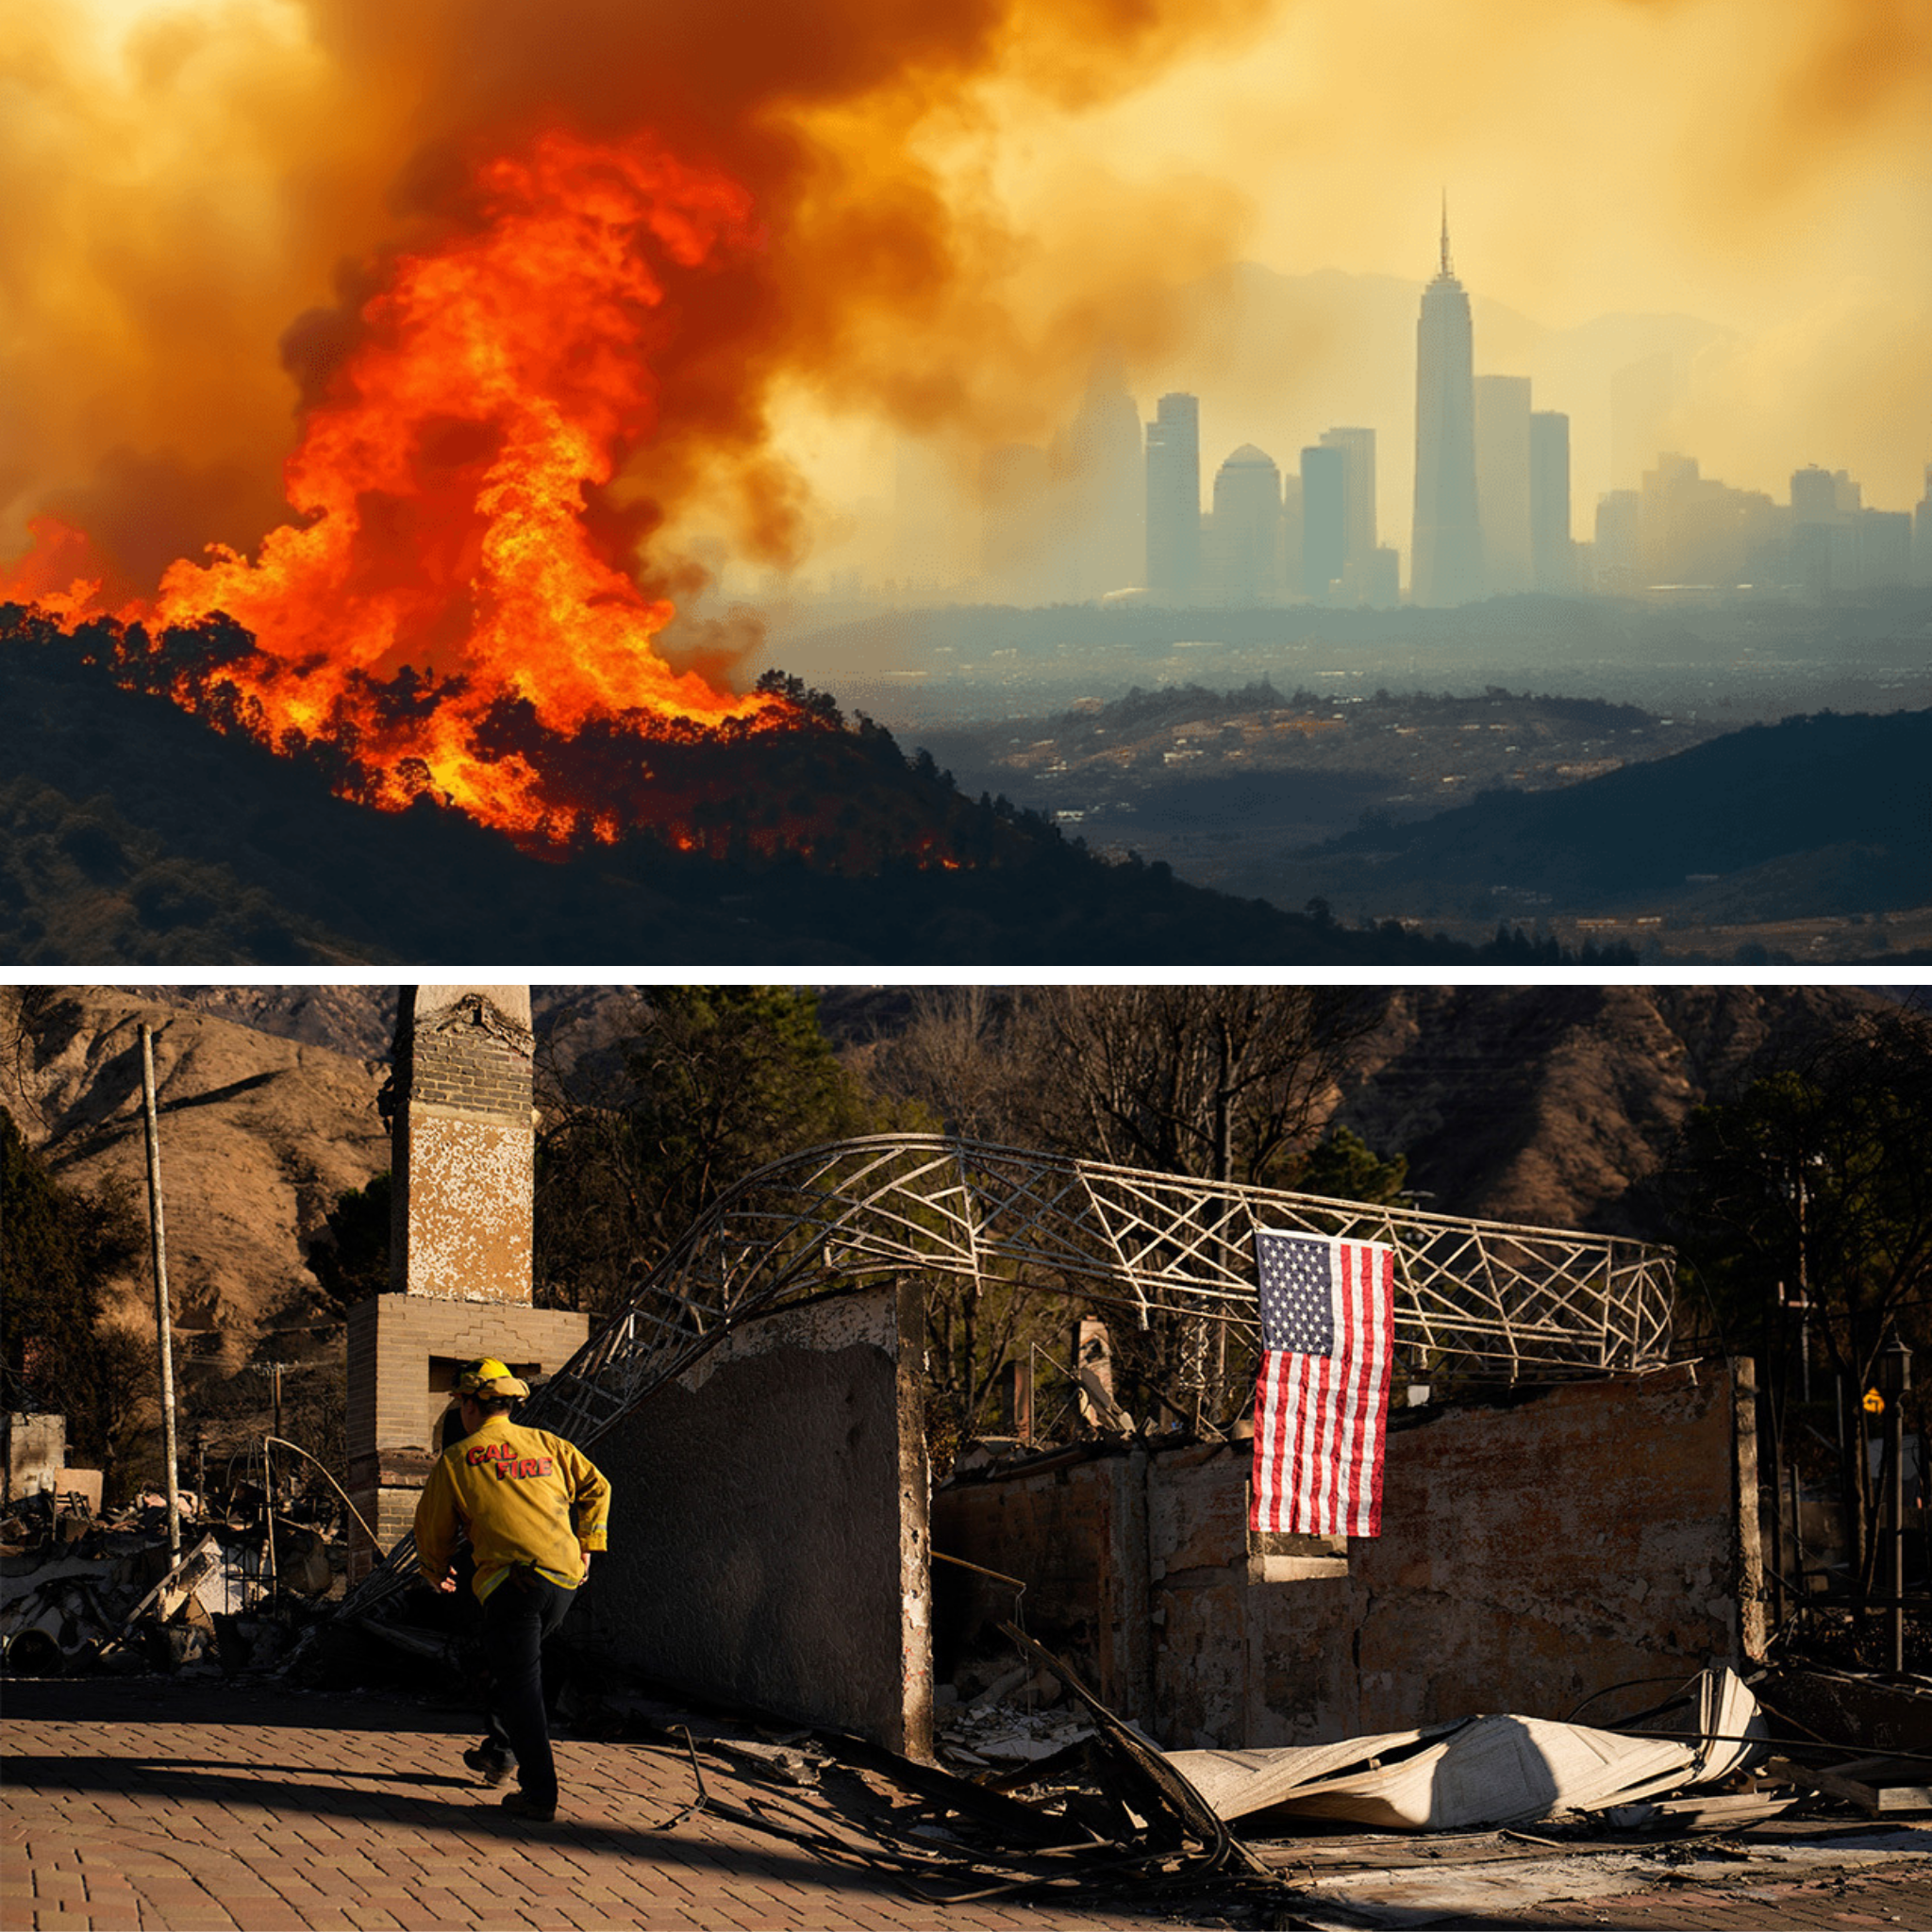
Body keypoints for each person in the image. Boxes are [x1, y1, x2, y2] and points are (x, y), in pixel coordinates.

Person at [414, 1357, 611, 1824]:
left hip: (510, 1584)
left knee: (522, 1683)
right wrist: (589, 1546)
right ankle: (501, 1751)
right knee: (518, 1665)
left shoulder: (459, 1459)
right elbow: (597, 1487)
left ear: (469, 1405)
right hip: (562, 1580)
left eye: (460, 1401)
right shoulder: (548, 1444)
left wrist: (434, 1569)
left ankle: (540, 1794)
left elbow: (432, 1528)